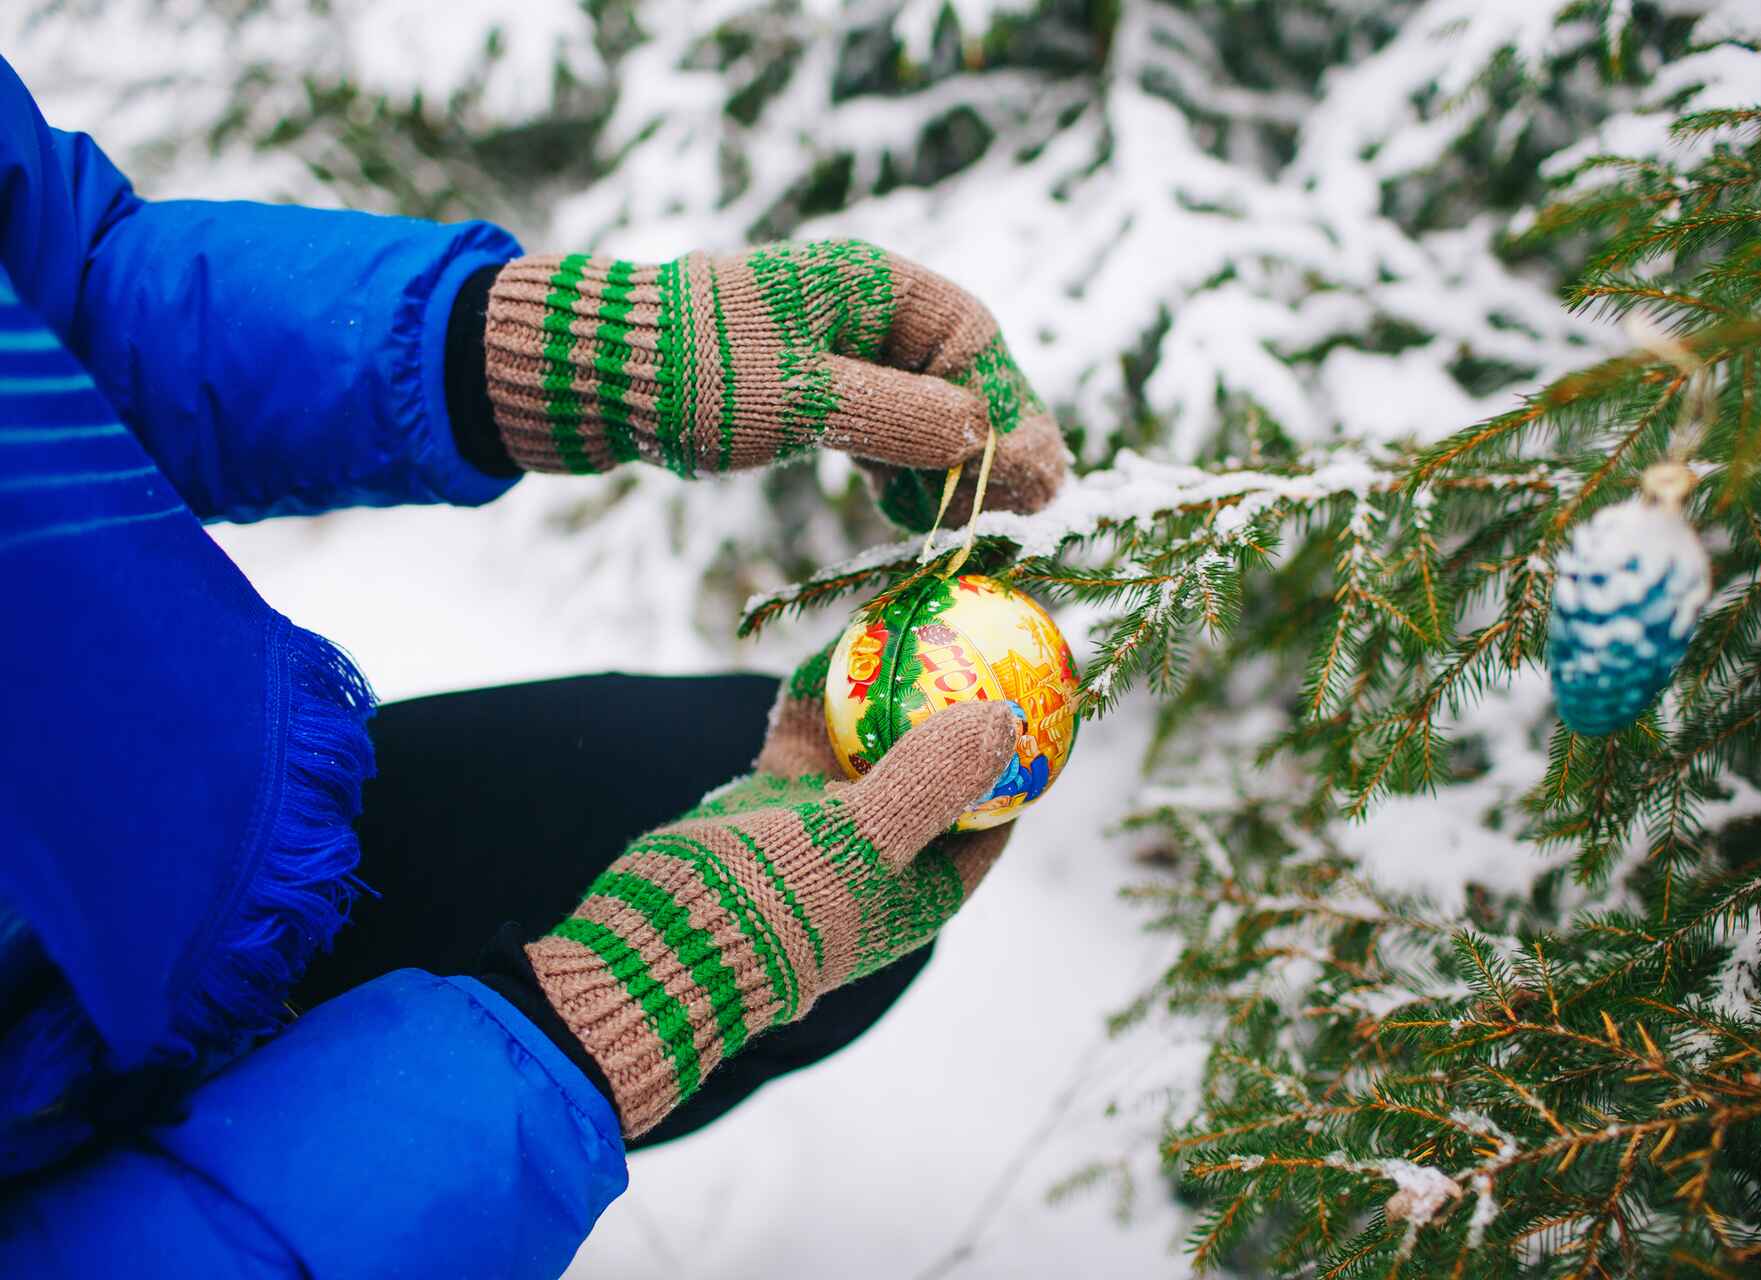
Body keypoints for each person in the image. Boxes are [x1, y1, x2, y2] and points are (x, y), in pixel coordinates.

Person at [0, 52, 1068, 1278]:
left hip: (205, 843)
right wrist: (604, 1017)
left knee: (751, 787)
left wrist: (560, 351)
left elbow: (70, 283)